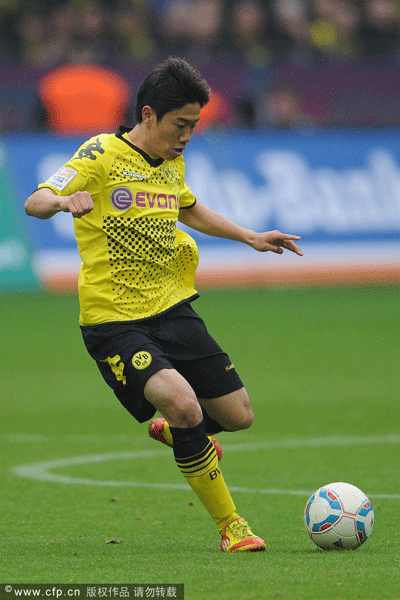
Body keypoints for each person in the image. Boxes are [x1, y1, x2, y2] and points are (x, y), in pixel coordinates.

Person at [25, 57, 302, 552]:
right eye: (181, 124)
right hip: (114, 320)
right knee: (181, 401)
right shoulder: (101, 153)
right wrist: (66, 201)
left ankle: (182, 433)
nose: (188, 135)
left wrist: (250, 237)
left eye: (194, 125)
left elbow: (189, 208)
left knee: (238, 416)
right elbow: (37, 200)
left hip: (172, 308)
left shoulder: (172, 163)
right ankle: (232, 527)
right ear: (148, 115)